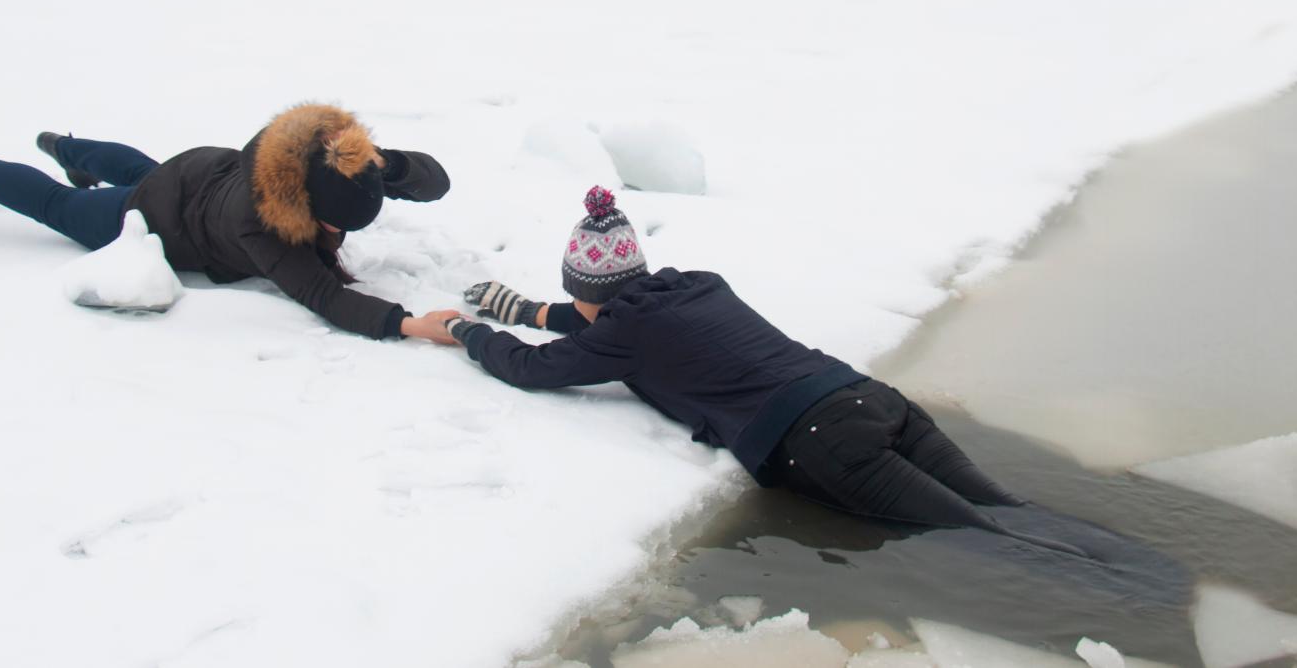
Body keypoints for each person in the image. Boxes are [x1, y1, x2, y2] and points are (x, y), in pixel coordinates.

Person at [442, 186, 1086, 555]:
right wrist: (520, 306)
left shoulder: (622, 334)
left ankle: (1129, 593)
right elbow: (605, 324)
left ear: (588, 290)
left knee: (994, 543)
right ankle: (1157, 569)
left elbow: (531, 368)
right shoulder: (696, 285)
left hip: (822, 442)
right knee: (1005, 508)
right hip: (871, 398)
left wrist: (465, 331)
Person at [0, 102, 461, 343]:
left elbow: (437, 183)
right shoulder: (262, 226)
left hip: (199, 172)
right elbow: (323, 295)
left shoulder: (325, 160)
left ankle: (69, 147)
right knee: (58, 207)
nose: (338, 240)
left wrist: (385, 164)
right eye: (335, 230)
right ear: (307, 210)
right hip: (159, 216)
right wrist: (411, 325)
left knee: (143, 169)